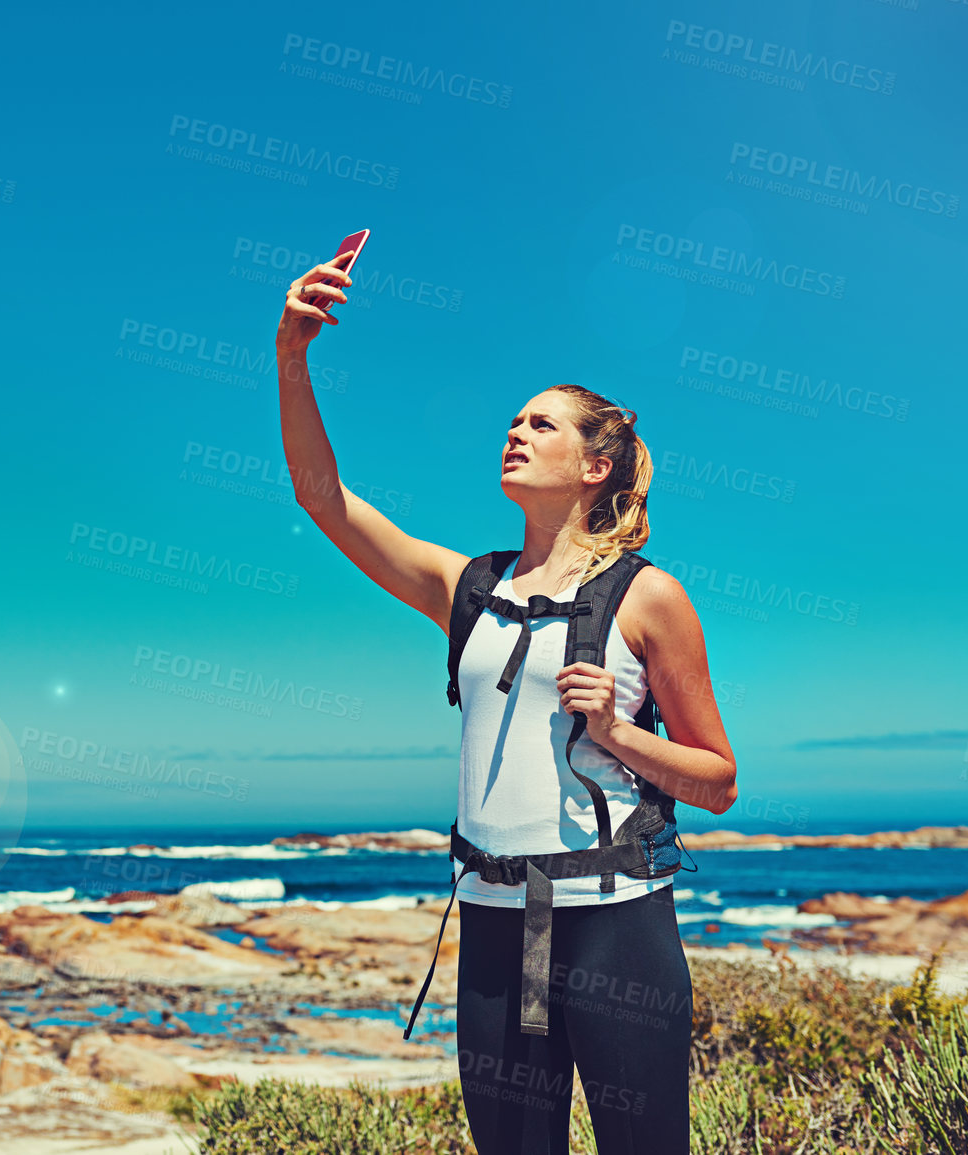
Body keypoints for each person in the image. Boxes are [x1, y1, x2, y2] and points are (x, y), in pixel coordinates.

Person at [274, 249, 738, 1154]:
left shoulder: (649, 597)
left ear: (595, 466)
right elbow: (322, 500)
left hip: (615, 925)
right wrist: (293, 354)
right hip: (491, 925)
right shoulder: (467, 586)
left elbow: (717, 780)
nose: (514, 433)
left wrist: (612, 729)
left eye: (541, 424)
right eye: (511, 421)